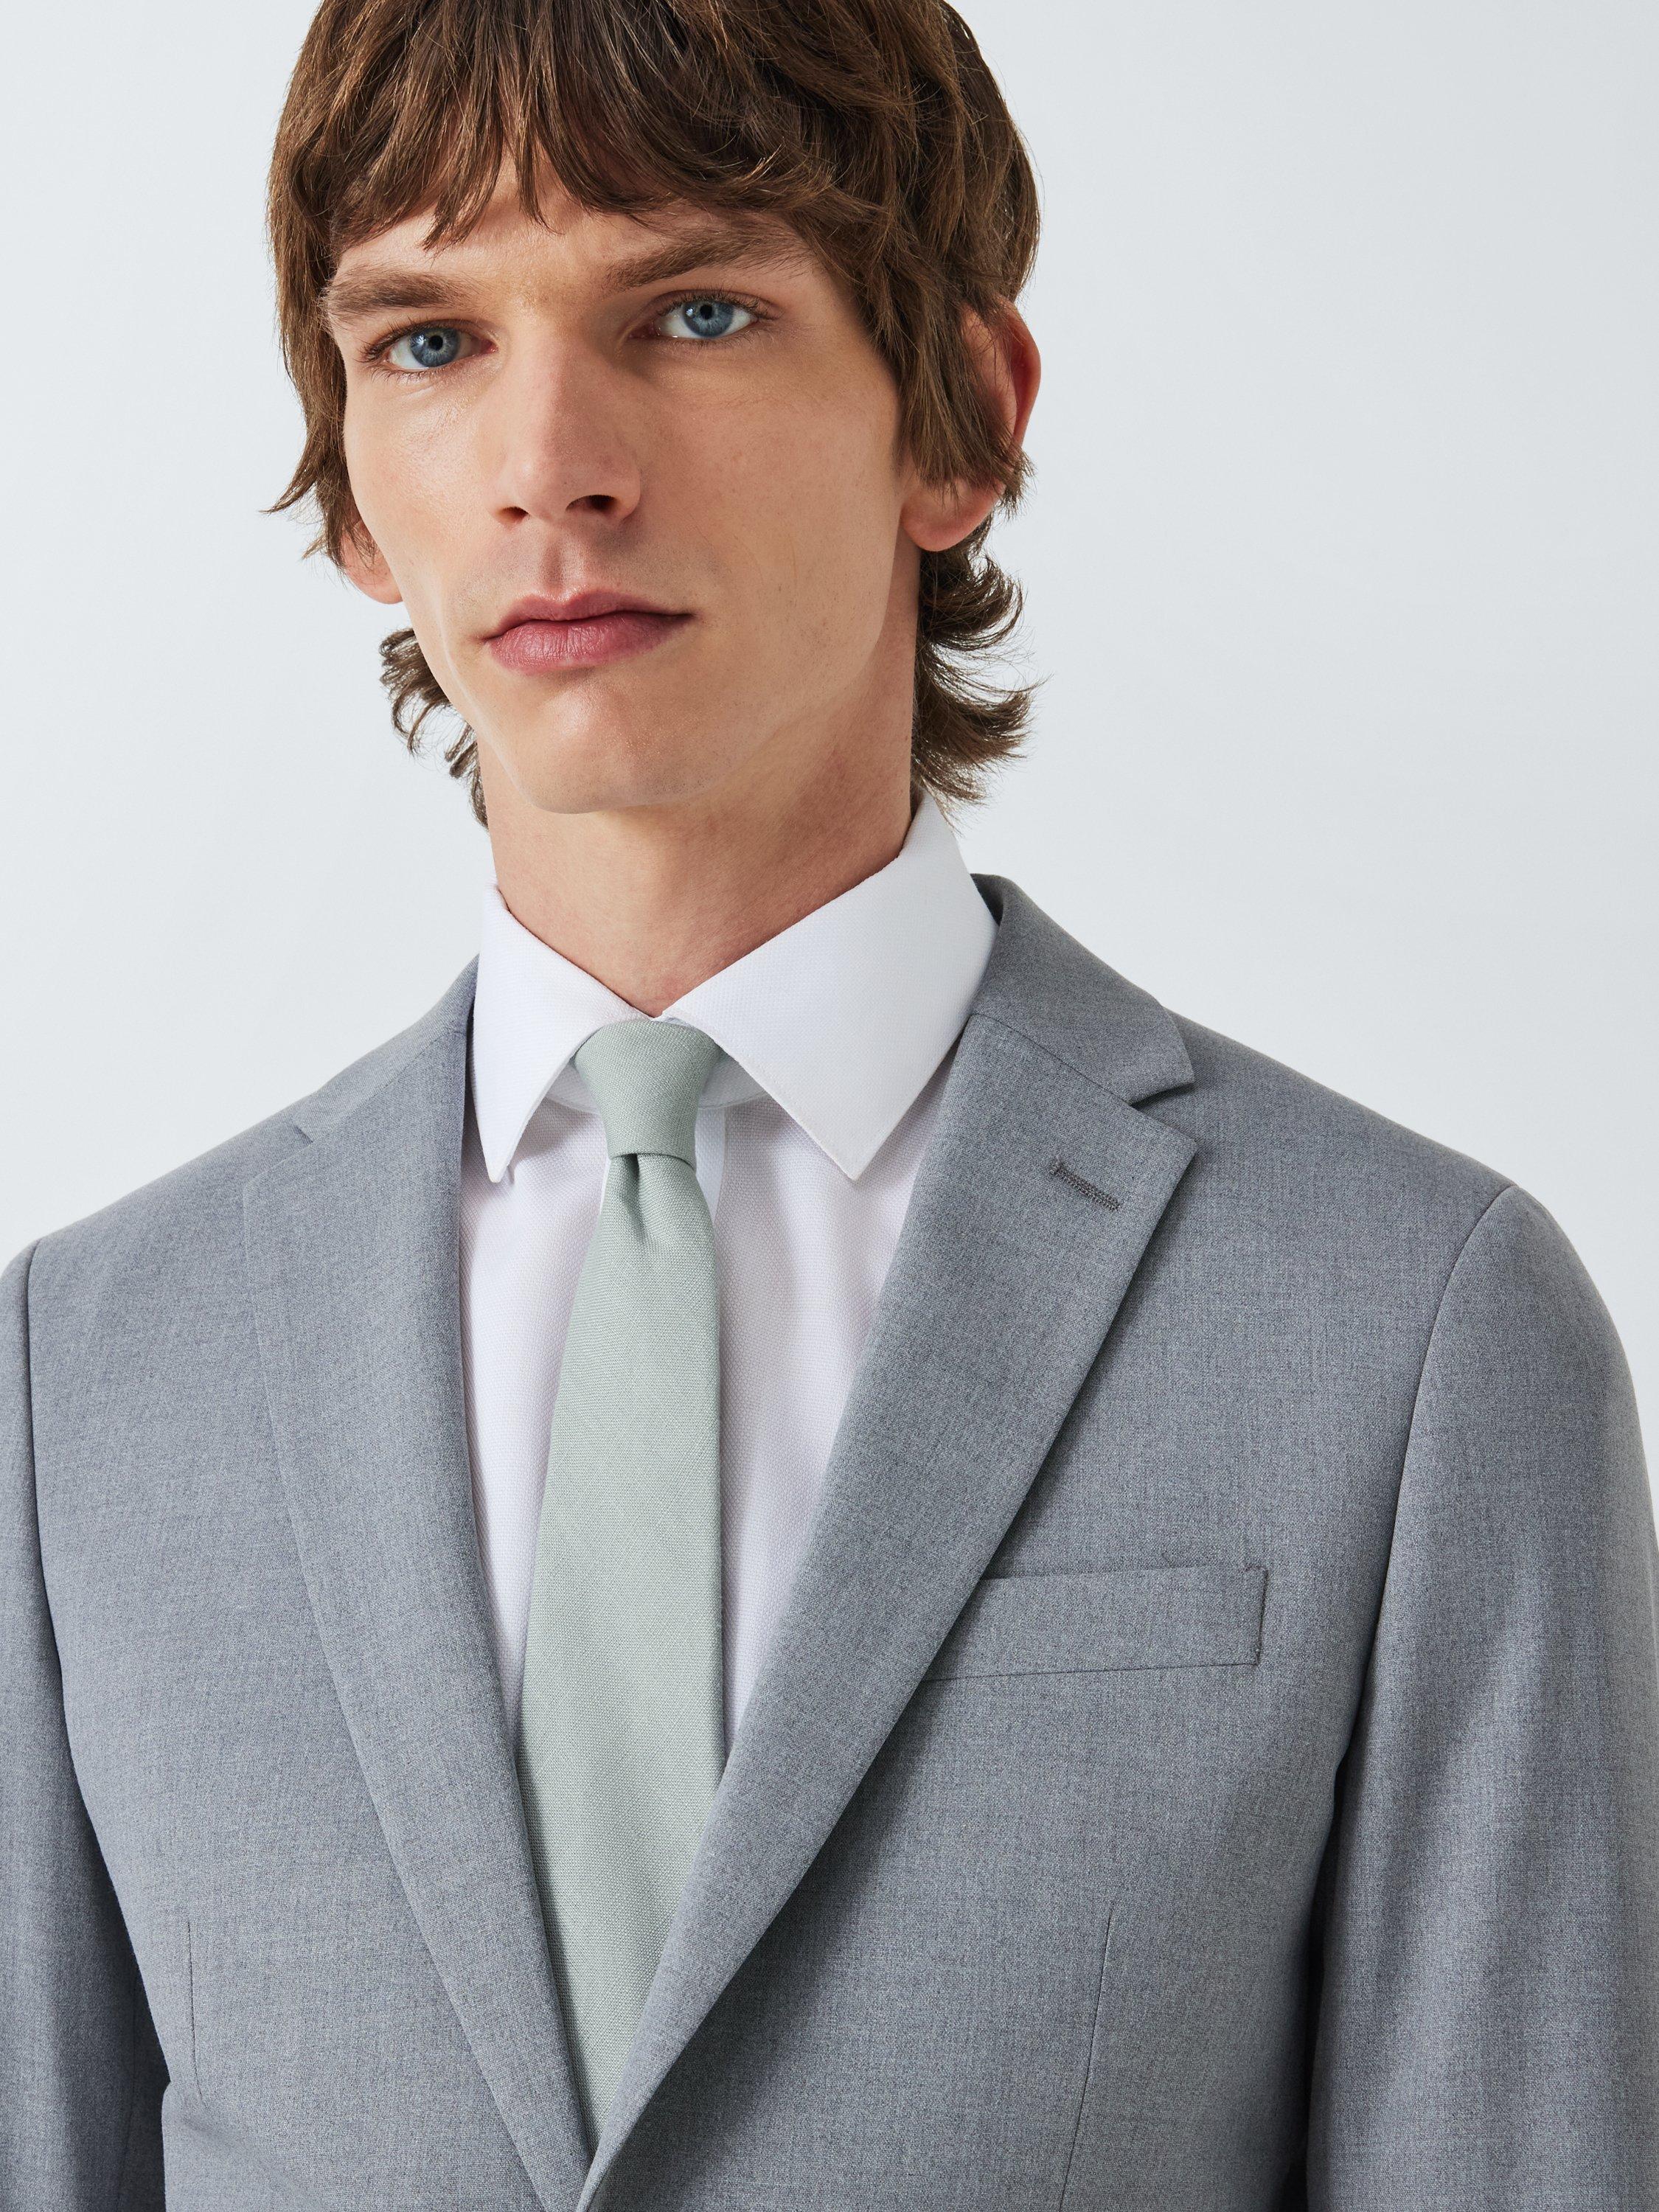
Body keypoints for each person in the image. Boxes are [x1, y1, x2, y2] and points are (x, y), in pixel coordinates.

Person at [4, 0, 1655, 2203]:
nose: (549, 465)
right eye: (430, 342)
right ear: (353, 490)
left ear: (959, 420)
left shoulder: (1411, 1327)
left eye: (692, 313)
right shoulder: (90, 1373)